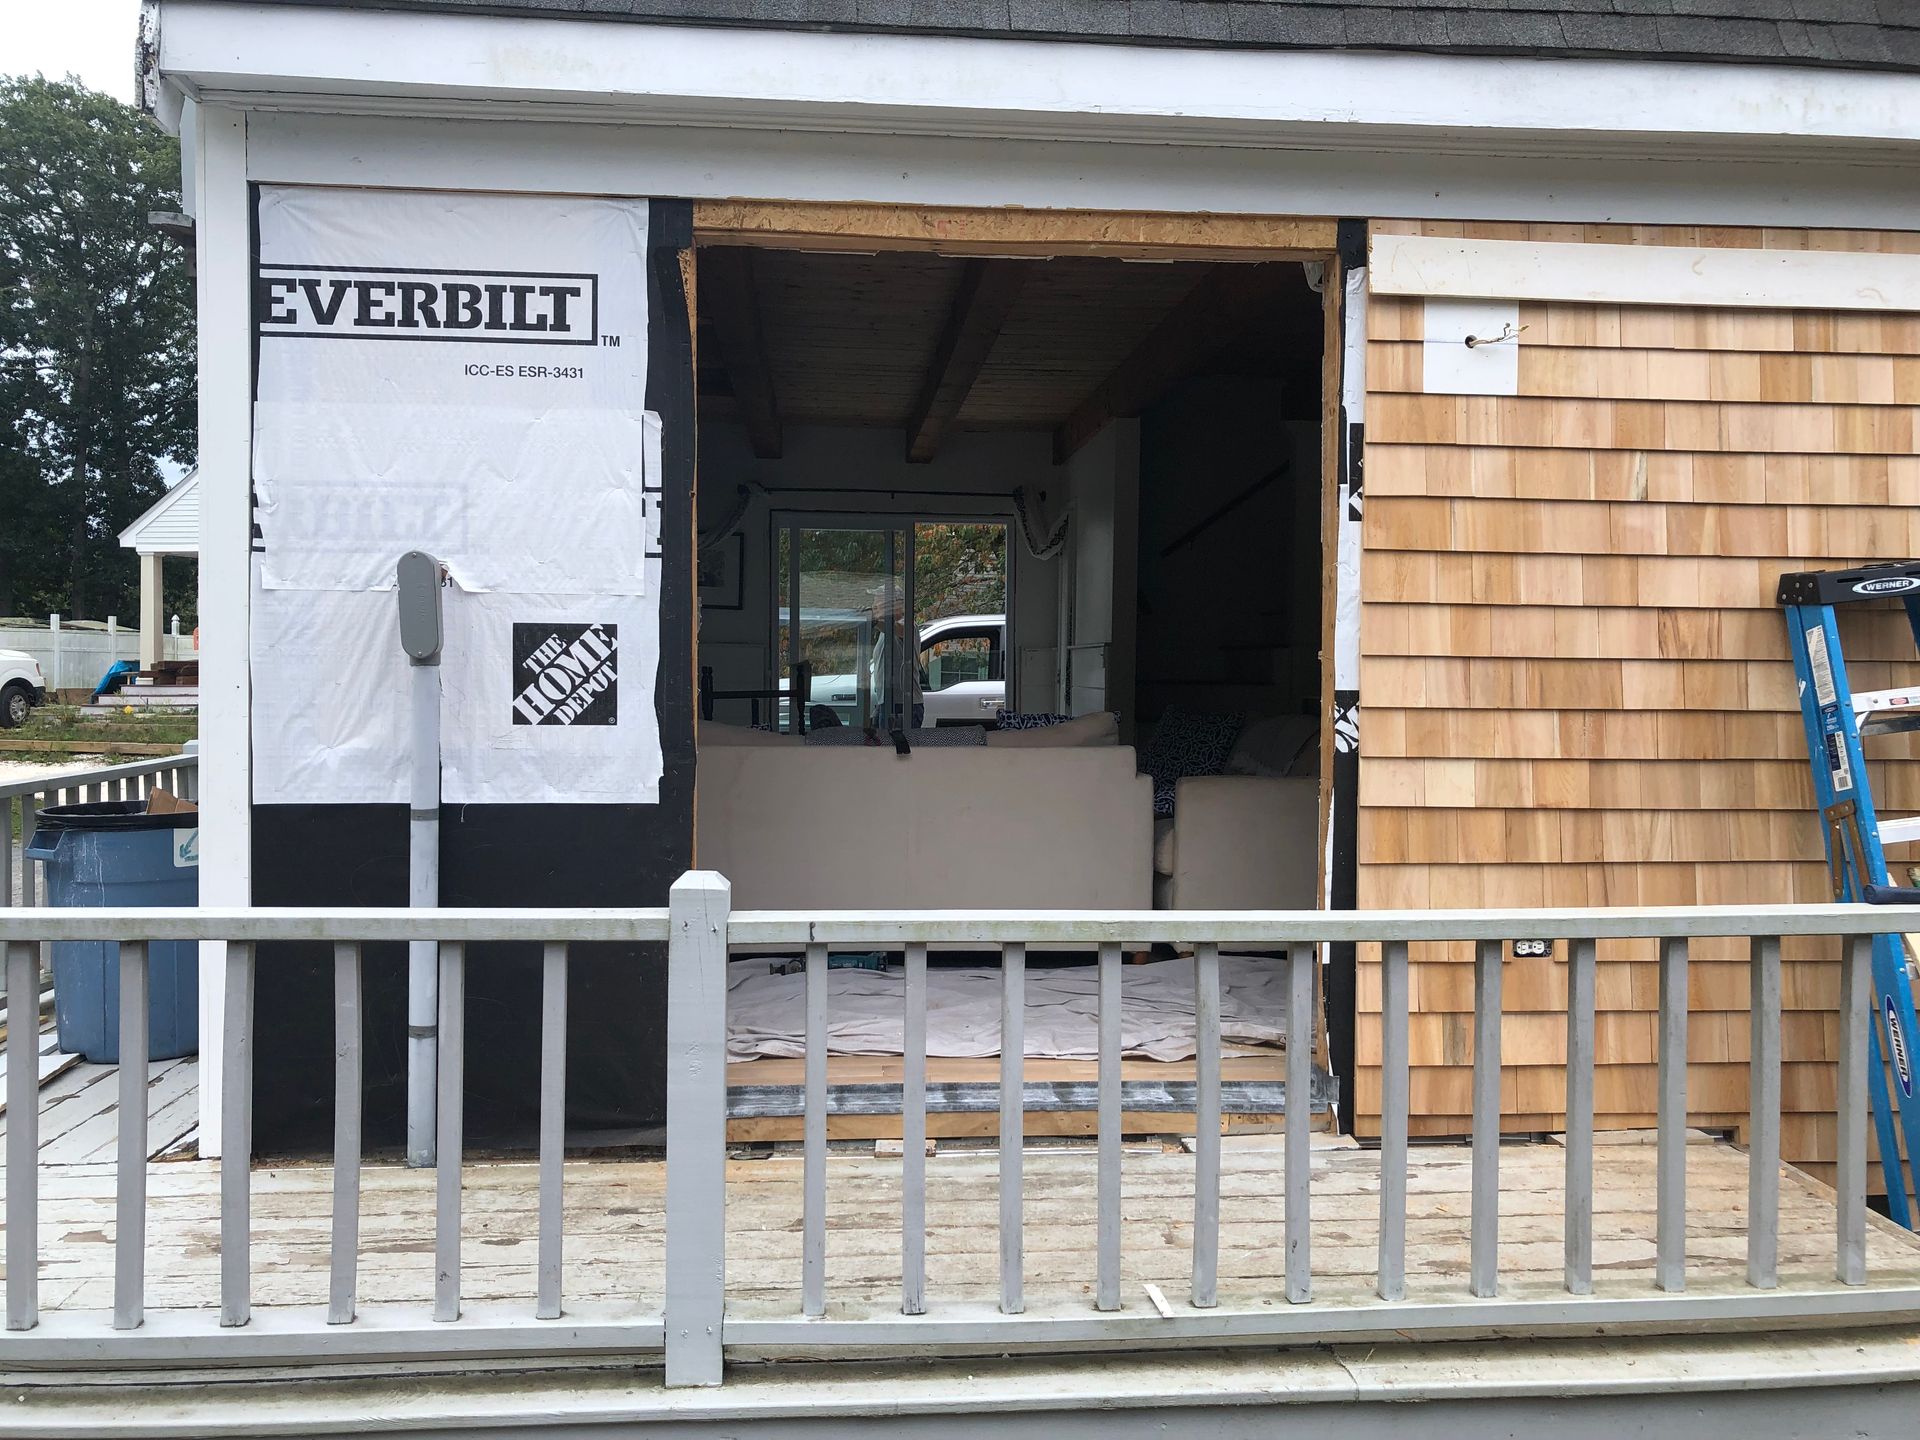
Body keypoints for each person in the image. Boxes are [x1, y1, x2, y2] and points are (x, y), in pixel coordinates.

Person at [867, 580, 923, 730]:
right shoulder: (884, 631)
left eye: (878, 600)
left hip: (903, 705)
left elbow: (899, 630)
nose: (874, 605)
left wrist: (874, 621)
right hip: (886, 702)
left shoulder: (908, 625)